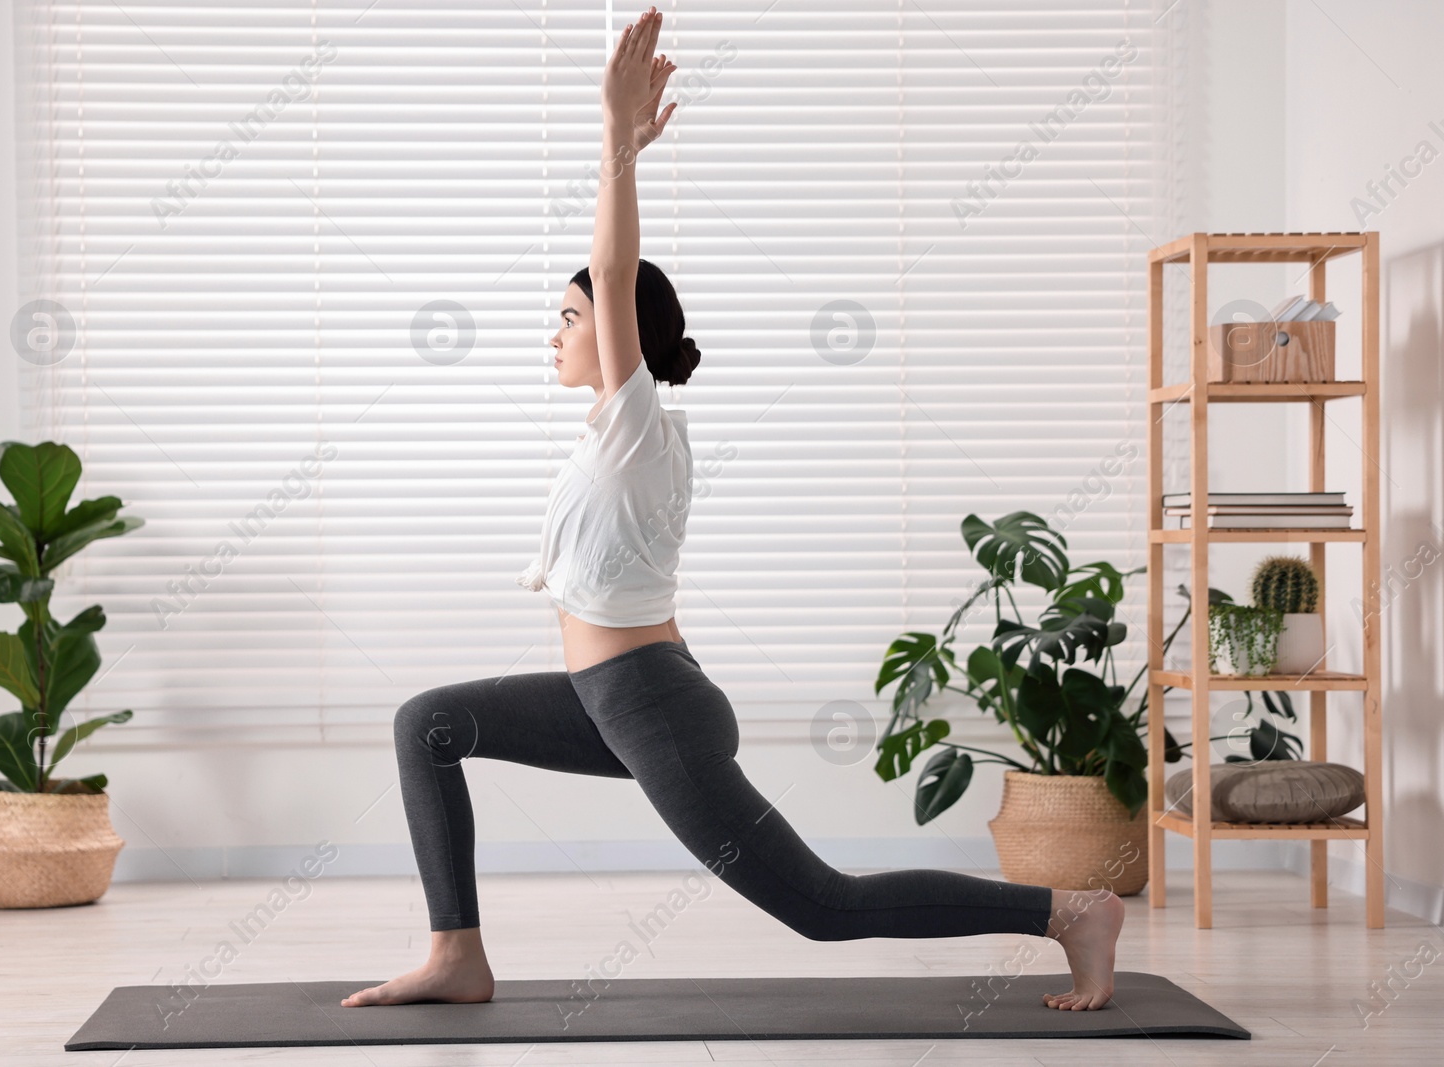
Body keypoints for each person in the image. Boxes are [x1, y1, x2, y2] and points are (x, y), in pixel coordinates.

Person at [343, 5, 1124, 1014]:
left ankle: (1067, 912)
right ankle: (457, 951)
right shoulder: (603, 437)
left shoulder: (638, 424)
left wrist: (617, 143)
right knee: (428, 723)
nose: (556, 331)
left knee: (821, 905)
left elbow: (617, 270)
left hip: (649, 701)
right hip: (603, 696)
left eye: (569, 316)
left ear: (621, 334)